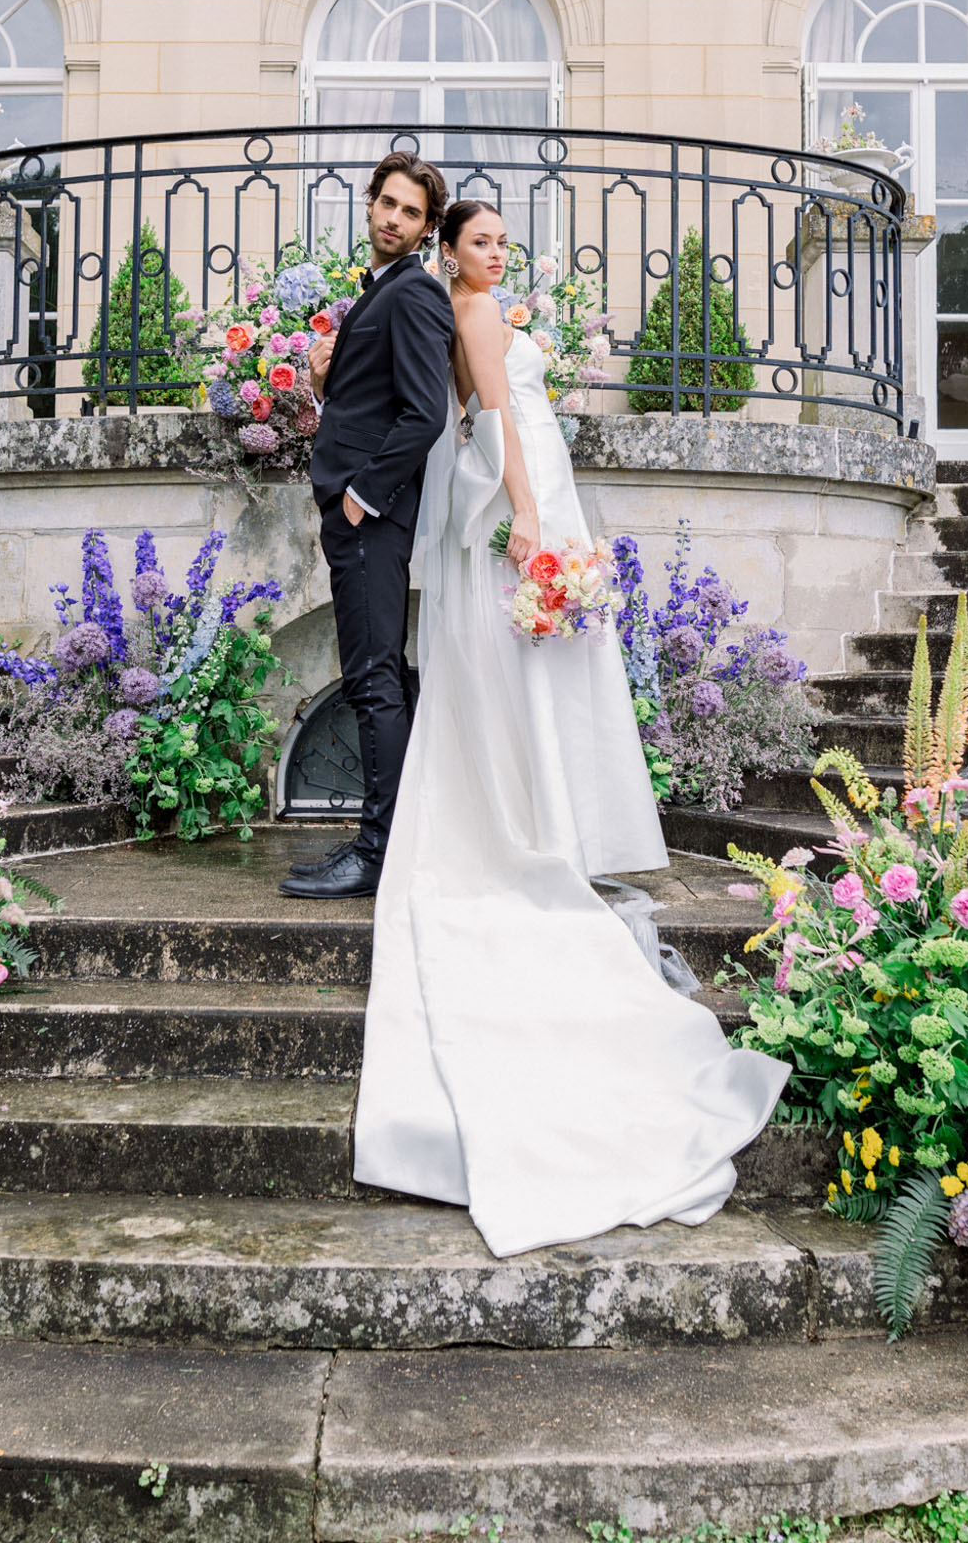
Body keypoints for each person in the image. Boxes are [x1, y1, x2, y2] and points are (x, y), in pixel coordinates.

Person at [350, 198, 790, 1257]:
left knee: (524, 670)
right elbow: (497, 418)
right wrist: (532, 519)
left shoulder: (463, 303)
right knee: (527, 667)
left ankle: (544, 811)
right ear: (449, 250)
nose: (496, 255)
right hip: (520, 486)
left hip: (518, 481)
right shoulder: (475, 315)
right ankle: (540, 821)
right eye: (480, 241)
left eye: (502, 241)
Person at [279, 150, 454, 901]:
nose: (393, 218)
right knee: (376, 672)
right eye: (387, 203)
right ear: (371, 203)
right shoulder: (377, 290)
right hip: (352, 508)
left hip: (370, 515)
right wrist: (323, 382)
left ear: (425, 227)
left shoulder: (414, 293)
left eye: (411, 212)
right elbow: (371, 402)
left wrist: (363, 497)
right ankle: (391, 838)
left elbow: (425, 414)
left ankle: (378, 853)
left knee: (374, 677)